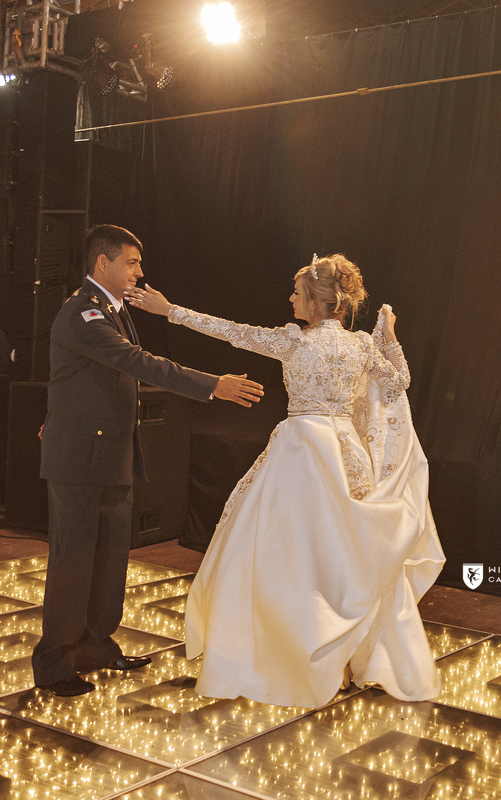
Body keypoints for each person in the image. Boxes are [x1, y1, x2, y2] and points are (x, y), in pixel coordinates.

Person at [129, 253, 444, 708]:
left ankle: (290, 658)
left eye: (297, 292)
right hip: (347, 456)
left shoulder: (292, 341)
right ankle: (335, 658)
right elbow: (400, 382)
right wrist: (390, 338)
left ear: (316, 301)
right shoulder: (360, 345)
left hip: (300, 453)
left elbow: (228, 331)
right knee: (340, 555)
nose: (290, 298)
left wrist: (171, 311)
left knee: (286, 554)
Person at [32, 225, 265, 698]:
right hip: (78, 459)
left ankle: (96, 645)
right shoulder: (83, 313)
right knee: (74, 562)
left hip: (109, 453)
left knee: (111, 558)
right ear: (103, 264)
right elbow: (138, 362)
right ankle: (55, 662)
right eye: (132, 262)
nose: (140, 271)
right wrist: (211, 384)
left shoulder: (115, 309)